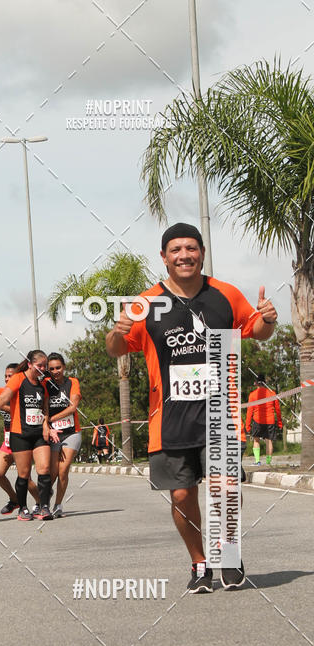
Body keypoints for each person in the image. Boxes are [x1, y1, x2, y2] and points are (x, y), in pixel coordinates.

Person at [106, 222, 278, 593]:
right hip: (168, 420)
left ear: (201, 251)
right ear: (164, 257)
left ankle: (229, 553)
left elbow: (257, 332)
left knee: (226, 487)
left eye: (191, 248)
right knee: (182, 496)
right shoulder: (146, 303)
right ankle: (200, 563)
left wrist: (267, 320)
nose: (184, 255)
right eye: (176, 250)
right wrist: (117, 331)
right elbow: (117, 349)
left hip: (220, 414)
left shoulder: (225, 295)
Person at [0, 350, 52, 520]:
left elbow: (45, 407)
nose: (43, 369)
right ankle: (22, 508)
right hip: (20, 434)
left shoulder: (42, 384)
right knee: (24, 474)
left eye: (45, 366)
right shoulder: (19, 378)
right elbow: (4, 395)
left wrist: (46, 424)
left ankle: (44, 507)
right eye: (40, 366)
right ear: (30, 364)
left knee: (44, 469)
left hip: (38, 434)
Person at [45, 353, 82, 518]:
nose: (55, 371)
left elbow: (73, 407)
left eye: (58, 367)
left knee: (63, 470)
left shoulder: (72, 382)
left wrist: (52, 419)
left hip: (71, 432)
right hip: (53, 435)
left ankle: (58, 505)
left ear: (64, 367)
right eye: (51, 369)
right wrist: (47, 425)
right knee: (52, 473)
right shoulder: (46, 384)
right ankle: (43, 502)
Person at [246, 375, 283, 466]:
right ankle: (268, 462)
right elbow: (277, 409)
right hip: (270, 420)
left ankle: (257, 461)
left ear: (256, 383)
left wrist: (247, 425)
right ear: (265, 383)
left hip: (257, 420)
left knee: (256, 440)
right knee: (269, 441)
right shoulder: (272, 393)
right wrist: (279, 422)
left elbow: (249, 411)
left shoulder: (252, 395)